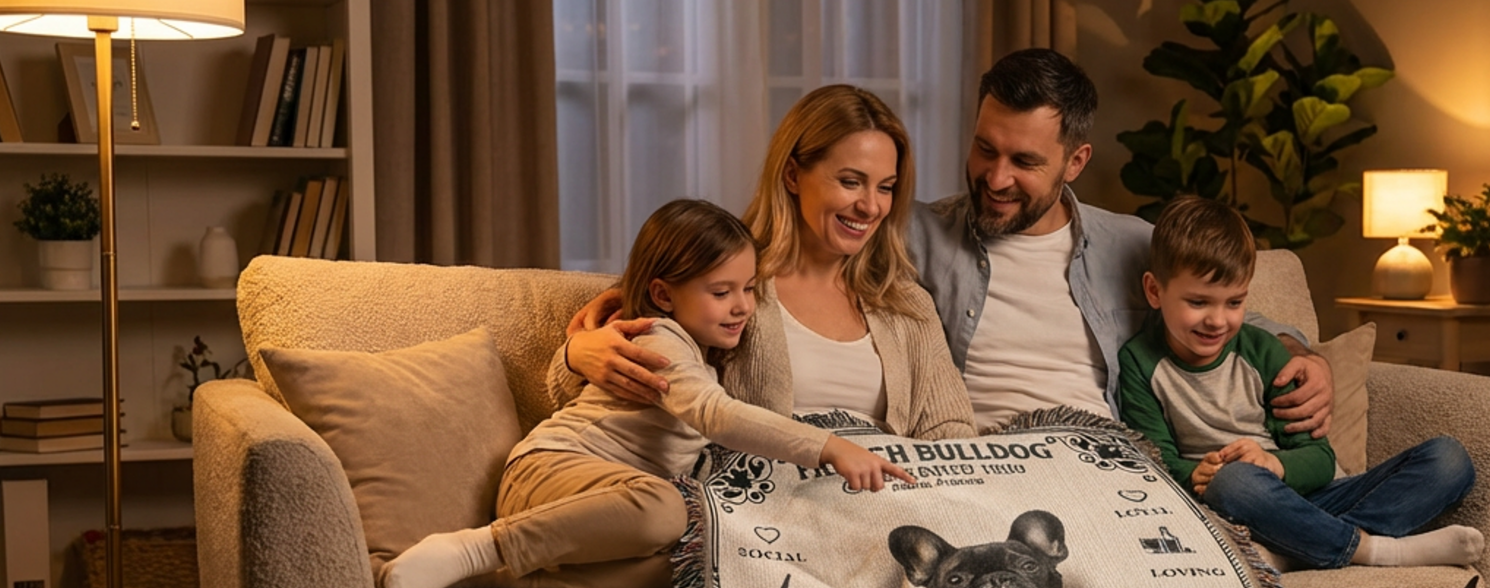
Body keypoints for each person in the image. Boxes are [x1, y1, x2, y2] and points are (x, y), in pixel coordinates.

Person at [561, 49, 1336, 438]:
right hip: (984, 460)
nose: (994, 178)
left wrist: (1305, 355)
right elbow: (702, 275)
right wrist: (583, 344)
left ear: (1075, 162)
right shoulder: (911, 237)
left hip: (1104, 456)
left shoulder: (1136, 246)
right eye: (983, 149)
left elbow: (1224, 312)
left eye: (1024, 162)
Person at [378, 199, 915, 588]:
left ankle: (488, 574)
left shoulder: (699, 353)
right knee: (666, 510)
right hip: (551, 476)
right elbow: (717, 415)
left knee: (703, 568)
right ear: (662, 294)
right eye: (721, 291)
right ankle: (476, 549)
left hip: (602, 512)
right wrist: (828, 447)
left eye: (749, 289)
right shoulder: (658, 338)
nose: (742, 307)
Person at [553, 85, 975, 442]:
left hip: (885, 507)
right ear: (792, 175)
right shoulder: (725, 282)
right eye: (850, 182)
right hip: (764, 512)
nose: (870, 206)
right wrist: (576, 354)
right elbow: (593, 391)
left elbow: (952, 431)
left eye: (885, 187)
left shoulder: (906, 305)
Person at [1120, 196, 1483, 573]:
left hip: (1309, 498)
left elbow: (1321, 460)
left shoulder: (1263, 350)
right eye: (1198, 302)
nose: (1218, 320)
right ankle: (1376, 551)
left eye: (1234, 302)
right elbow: (1153, 461)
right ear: (1154, 291)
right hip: (1231, 504)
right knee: (1236, 482)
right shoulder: (1139, 361)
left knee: (1449, 460)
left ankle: (1293, 548)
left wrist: (1273, 463)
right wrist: (1195, 474)